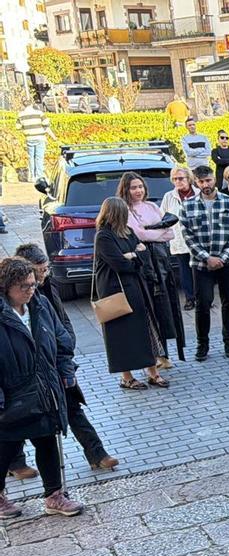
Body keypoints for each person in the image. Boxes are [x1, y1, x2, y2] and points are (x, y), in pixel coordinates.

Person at [12, 244, 118, 471]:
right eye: (39, 271)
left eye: (45, 269)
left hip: (53, 362)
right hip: (25, 371)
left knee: (71, 406)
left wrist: (66, 354)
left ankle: (96, 452)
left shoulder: (47, 288)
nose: (43, 275)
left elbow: (61, 321)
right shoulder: (17, 296)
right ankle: (15, 462)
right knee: (18, 417)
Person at [0, 257, 85, 519]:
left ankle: (54, 495)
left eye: (33, 284)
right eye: (24, 286)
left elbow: (61, 340)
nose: (30, 290)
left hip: (45, 387)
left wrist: (66, 371)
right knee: (7, 448)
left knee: (47, 440)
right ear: (6, 286)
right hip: (13, 390)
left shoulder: (40, 305)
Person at [93, 197, 170, 390]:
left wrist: (133, 256)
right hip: (115, 292)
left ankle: (153, 372)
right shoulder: (104, 236)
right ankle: (126, 377)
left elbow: (143, 254)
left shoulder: (128, 232)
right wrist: (134, 256)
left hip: (136, 288)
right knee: (122, 334)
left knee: (146, 330)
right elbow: (120, 264)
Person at [120, 171, 183, 369]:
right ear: (126, 190)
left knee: (164, 306)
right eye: (133, 187)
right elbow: (138, 234)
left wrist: (150, 231)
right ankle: (153, 355)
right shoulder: (125, 210)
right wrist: (154, 231)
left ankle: (165, 354)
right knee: (149, 307)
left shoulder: (151, 206)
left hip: (162, 262)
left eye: (140, 187)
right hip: (144, 264)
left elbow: (170, 232)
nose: (138, 191)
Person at [180, 165, 229, 361]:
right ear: (195, 182)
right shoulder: (187, 205)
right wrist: (206, 257)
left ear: (214, 180)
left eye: (208, 180)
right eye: (200, 182)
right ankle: (202, 344)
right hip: (201, 265)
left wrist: (222, 257)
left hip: (228, 262)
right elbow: (187, 235)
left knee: (228, 303)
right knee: (203, 303)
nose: (205, 185)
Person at [161, 166, 197, 311]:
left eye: (181, 178)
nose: (178, 181)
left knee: (200, 270)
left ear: (188, 178)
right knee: (184, 270)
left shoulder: (199, 193)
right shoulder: (169, 196)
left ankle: (203, 297)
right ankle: (190, 298)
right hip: (179, 240)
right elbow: (162, 216)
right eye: (175, 179)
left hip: (199, 239)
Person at [18, 102, 55, 183]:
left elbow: (18, 127)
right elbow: (46, 124)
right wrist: (53, 137)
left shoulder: (21, 115)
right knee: (39, 157)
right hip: (40, 138)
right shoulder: (39, 113)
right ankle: (39, 176)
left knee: (31, 157)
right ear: (31, 104)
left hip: (29, 138)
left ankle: (32, 176)